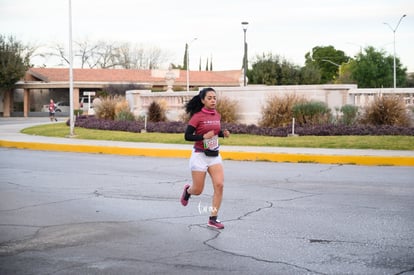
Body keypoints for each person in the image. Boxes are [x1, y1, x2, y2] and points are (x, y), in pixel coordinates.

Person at [180, 87, 230, 229]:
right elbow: (187, 136)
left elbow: (214, 132)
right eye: (209, 98)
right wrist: (202, 137)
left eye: (214, 97)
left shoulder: (217, 115)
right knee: (198, 190)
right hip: (199, 156)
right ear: (203, 100)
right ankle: (188, 191)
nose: (213, 100)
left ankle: (213, 219)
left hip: (213, 155)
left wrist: (222, 133)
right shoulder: (197, 116)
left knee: (219, 185)